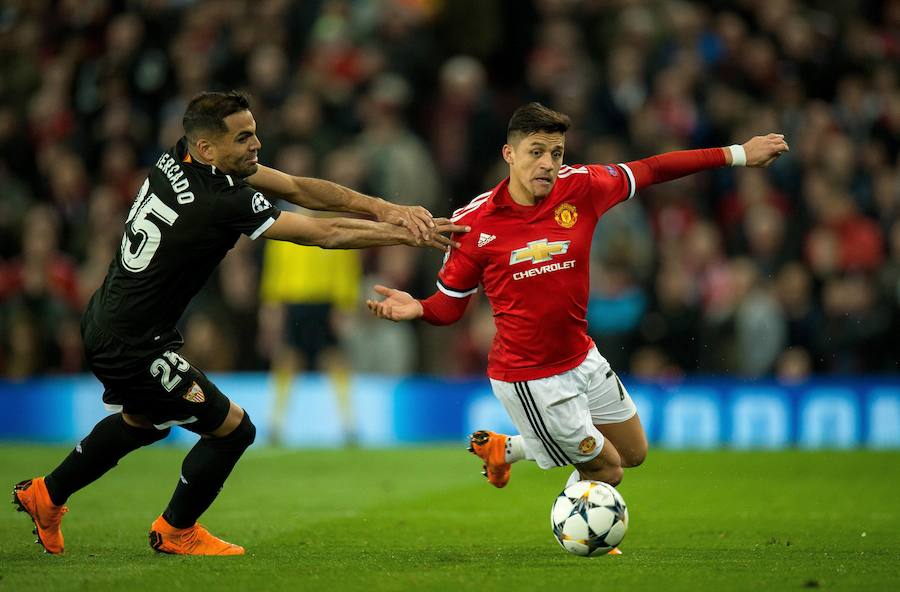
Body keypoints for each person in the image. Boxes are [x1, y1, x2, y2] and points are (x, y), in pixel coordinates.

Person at [12, 91, 468, 556]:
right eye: (244, 137)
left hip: (106, 320)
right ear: (209, 147)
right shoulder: (219, 200)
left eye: (255, 132)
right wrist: (409, 233)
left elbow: (296, 188)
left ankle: (46, 496)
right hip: (133, 345)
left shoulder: (180, 156)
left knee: (143, 422)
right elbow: (324, 233)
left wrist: (387, 210)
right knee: (233, 429)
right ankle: (175, 530)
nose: (257, 144)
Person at [367, 102, 788, 497]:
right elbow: (450, 306)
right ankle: (577, 531)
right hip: (530, 378)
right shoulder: (473, 223)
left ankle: (505, 449)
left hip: (582, 358)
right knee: (608, 470)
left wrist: (738, 154)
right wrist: (420, 307)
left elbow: (653, 169)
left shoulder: (582, 186)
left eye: (556, 152)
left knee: (634, 452)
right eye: (536, 151)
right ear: (509, 154)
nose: (548, 163)